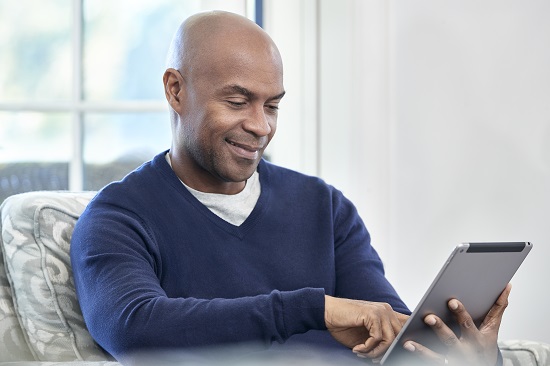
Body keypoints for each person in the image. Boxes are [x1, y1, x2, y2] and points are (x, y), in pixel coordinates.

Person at [70, 10, 509, 365]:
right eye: (237, 102)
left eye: (273, 105)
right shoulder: (118, 218)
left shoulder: (325, 207)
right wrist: (316, 309)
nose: (260, 126)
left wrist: (468, 356)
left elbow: (388, 333)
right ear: (175, 90)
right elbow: (135, 329)